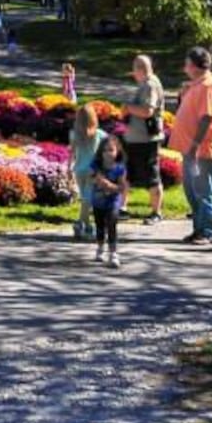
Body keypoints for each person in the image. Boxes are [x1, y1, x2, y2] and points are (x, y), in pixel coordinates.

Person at [170, 47, 212, 245]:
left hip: (202, 149)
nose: (185, 67)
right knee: (192, 191)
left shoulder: (207, 86)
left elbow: (207, 117)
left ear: (194, 65)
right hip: (190, 150)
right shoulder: (197, 85)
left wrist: (194, 145)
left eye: (186, 63)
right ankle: (198, 229)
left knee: (203, 191)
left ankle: (206, 232)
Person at [122, 55, 168, 224]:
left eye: (134, 70)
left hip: (147, 139)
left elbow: (148, 111)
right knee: (127, 174)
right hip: (136, 138)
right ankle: (122, 208)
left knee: (152, 175)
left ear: (141, 69)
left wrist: (128, 108)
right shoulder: (144, 84)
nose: (133, 74)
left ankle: (156, 212)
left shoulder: (150, 85)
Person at [89, 134, 129, 267]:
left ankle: (113, 253)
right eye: (105, 150)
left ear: (117, 151)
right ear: (101, 152)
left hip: (113, 201)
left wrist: (111, 187)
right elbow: (91, 177)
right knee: (100, 226)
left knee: (112, 224)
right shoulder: (96, 165)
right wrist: (98, 180)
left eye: (111, 150)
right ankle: (100, 248)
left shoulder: (120, 168)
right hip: (97, 201)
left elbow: (122, 187)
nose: (108, 153)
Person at [68, 103, 104, 242]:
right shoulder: (99, 134)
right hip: (92, 170)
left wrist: (68, 168)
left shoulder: (74, 134)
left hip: (79, 170)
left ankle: (87, 225)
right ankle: (80, 223)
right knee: (88, 199)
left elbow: (71, 153)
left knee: (85, 198)